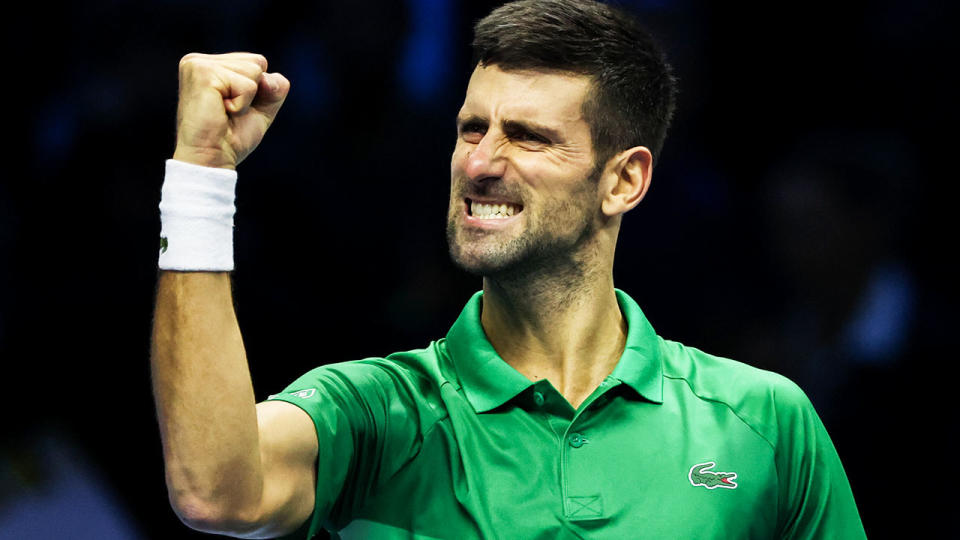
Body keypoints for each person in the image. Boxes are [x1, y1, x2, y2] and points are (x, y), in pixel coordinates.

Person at [151, 1, 866, 538]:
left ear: (623, 182)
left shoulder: (763, 423)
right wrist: (200, 179)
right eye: (471, 128)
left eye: (528, 137)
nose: (481, 162)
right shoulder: (379, 412)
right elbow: (217, 491)